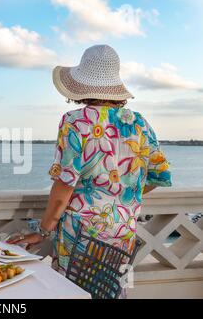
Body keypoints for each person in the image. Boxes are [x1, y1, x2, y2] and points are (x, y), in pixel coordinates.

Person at [9, 45, 172, 275]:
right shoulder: (139, 123)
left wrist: (44, 231)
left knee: (75, 292)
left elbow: (64, 187)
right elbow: (159, 176)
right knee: (111, 291)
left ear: (83, 85)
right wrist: (119, 194)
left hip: (81, 236)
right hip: (123, 236)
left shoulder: (75, 122)